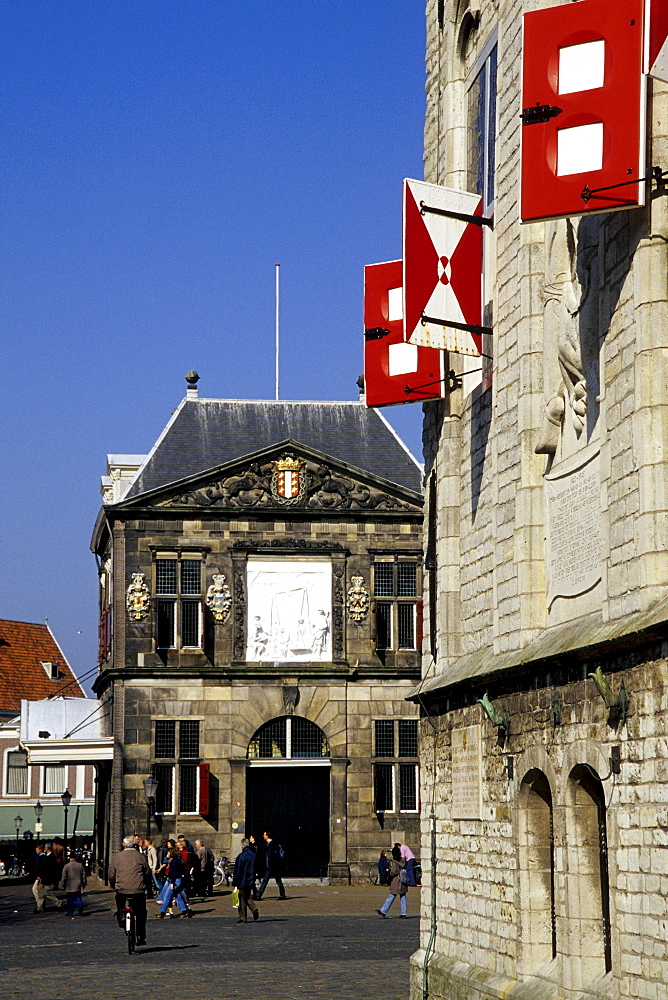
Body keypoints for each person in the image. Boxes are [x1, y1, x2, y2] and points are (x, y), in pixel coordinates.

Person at [108, 834, 151, 945]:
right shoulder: (141, 857)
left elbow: (111, 875)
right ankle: (141, 936)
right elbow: (147, 873)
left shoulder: (116, 858)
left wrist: (114, 885)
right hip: (138, 890)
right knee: (141, 913)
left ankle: (122, 918)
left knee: (120, 906)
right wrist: (146, 885)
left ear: (123, 845)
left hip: (122, 890)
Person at [156, 847, 192, 918]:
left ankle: (162, 912)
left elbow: (173, 873)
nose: (168, 854)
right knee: (178, 896)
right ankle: (185, 911)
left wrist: (172, 883)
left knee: (167, 897)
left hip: (174, 880)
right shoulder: (179, 860)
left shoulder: (174, 861)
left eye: (169, 853)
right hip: (179, 879)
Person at [376, 846, 408, 918]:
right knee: (403, 896)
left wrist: (390, 874)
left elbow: (393, 872)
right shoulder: (402, 860)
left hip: (396, 880)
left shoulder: (394, 862)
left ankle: (383, 911)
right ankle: (403, 913)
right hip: (403, 880)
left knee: (391, 896)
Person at [232, 838, 260, 923]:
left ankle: (243, 917)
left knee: (241, 899)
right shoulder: (253, 855)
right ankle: (254, 909)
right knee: (247, 896)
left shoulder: (241, 856)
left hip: (242, 880)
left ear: (242, 846)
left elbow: (238, 870)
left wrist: (235, 882)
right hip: (250, 879)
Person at [31, 843, 64, 912]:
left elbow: (48, 868)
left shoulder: (50, 857)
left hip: (47, 877)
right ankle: (40, 907)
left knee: (47, 892)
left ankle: (58, 903)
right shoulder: (46, 857)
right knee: (41, 893)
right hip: (44, 877)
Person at [256, 830, 286, 900]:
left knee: (269, 881)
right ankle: (282, 894)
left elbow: (275, 856)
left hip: (273, 866)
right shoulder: (267, 844)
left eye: (264, 835)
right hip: (270, 866)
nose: (263, 836)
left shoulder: (273, 844)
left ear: (267, 836)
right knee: (275, 880)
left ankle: (259, 895)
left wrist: (271, 864)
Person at [60, 852, 86, 917]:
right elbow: (83, 875)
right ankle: (80, 908)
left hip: (69, 885)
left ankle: (70, 912)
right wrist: (84, 883)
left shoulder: (66, 866)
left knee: (70, 900)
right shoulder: (80, 865)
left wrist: (62, 885)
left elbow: (64, 877)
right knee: (78, 898)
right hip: (78, 884)